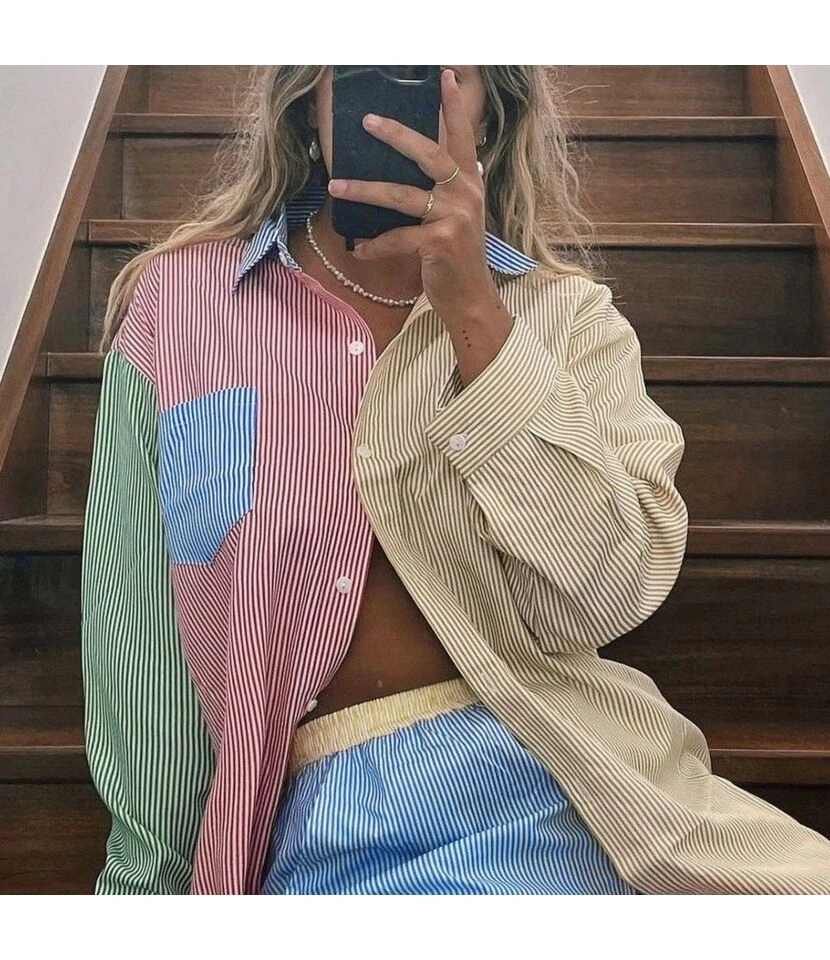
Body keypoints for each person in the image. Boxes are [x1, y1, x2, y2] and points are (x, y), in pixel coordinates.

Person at [81, 65, 830, 896]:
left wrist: (477, 315)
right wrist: (145, 890)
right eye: (364, 61)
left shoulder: (570, 318)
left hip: (584, 785)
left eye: (438, 66)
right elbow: (136, 630)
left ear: (490, 117)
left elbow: (608, 593)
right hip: (335, 818)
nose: (399, 86)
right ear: (308, 103)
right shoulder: (182, 305)